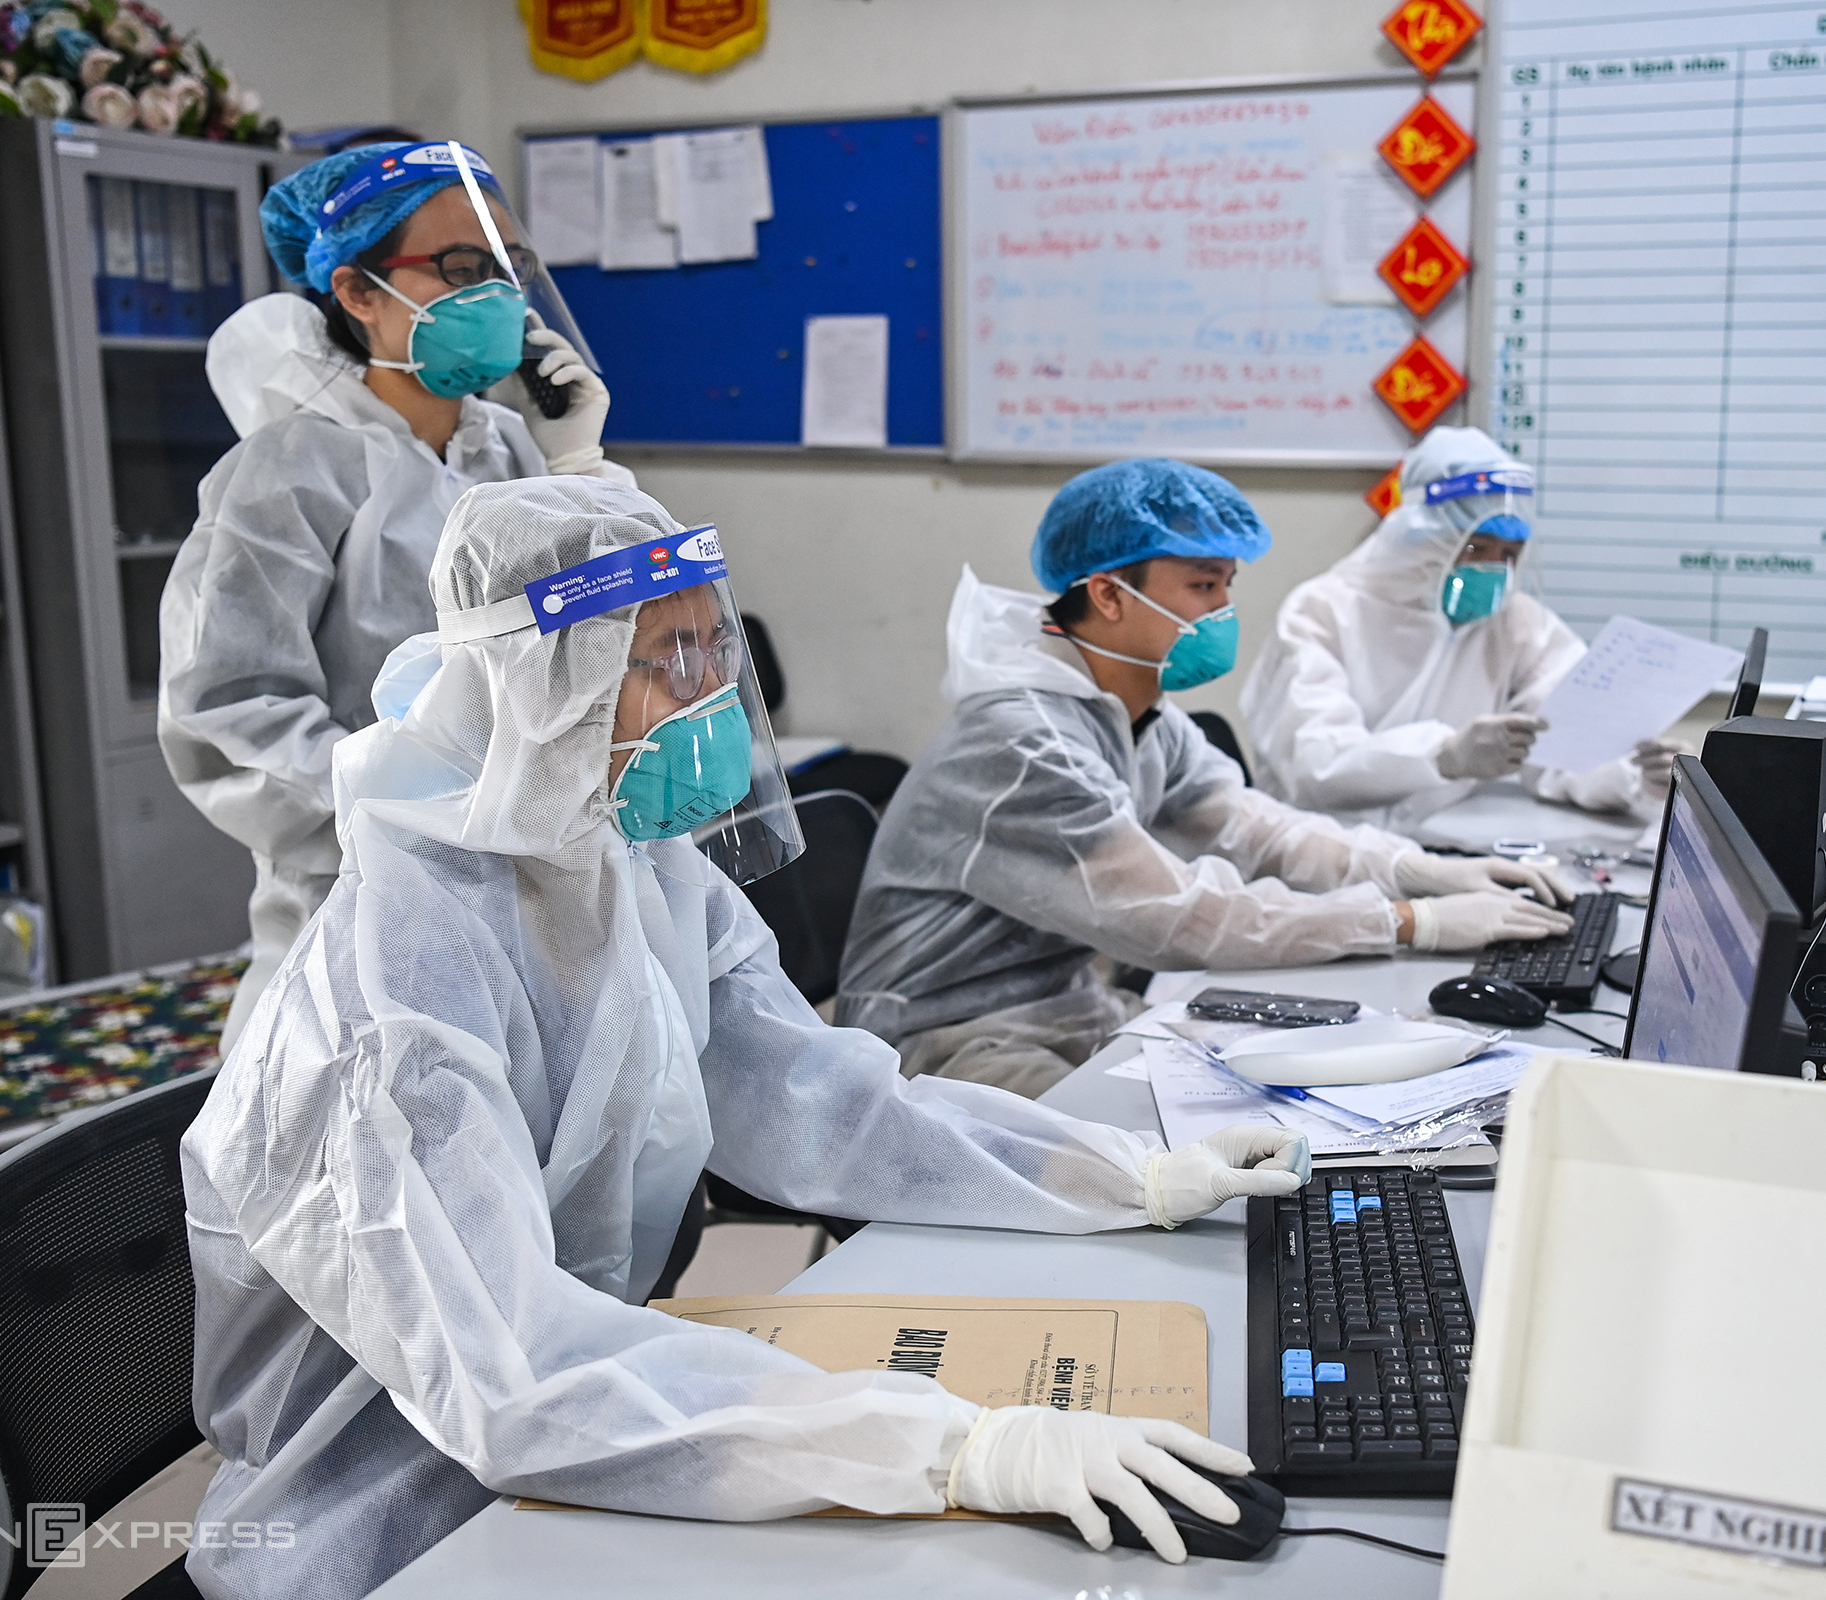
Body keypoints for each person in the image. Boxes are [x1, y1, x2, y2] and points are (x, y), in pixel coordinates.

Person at [181, 476, 1313, 1600]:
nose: (709, 697)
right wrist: (958, 1451)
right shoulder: (390, 992)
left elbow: (822, 1099)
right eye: (664, 662)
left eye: (713, 648)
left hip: (600, 1423)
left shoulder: (626, 863)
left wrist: (1125, 1174)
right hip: (382, 1515)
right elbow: (507, 1373)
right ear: (541, 684)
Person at [835, 459, 1577, 1098]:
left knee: (1295, 1078)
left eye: (1226, 584)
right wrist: (1410, 923)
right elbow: (1180, 918)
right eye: (1201, 585)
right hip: (941, 1044)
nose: (1224, 610)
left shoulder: (1133, 713)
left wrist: (1421, 871)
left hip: (1065, 1011)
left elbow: (1256, 828)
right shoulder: (1024, 743)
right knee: (1160, 1157)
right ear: (1109, 595)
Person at [159, 139, 623, 1049]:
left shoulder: (509, 448)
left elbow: (608, 640)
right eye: (462, 268)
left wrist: (581, 463)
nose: (499, 294)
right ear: (358, 292)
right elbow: (229, 715)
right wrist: (413, 815)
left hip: (524, 890)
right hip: (354, 914)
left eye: (510, 267)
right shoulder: (291, 467)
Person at [1240, 426, 1687, 835]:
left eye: (1509, 553)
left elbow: (1561, 745)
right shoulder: (1323, 611)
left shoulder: (1516, 624)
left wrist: (1633, 776)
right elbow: (1315, 766)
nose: (1493, 568)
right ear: (1419, 538)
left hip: (1440, 845)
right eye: (1475, 546)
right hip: (1317, 856)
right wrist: (1444, 755)